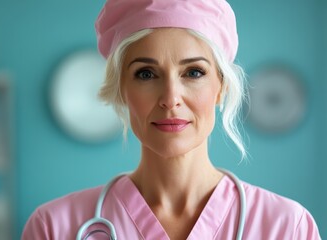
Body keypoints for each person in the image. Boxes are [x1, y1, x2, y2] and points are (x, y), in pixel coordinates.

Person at [22, 0, 321, 239]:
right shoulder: (55, 228)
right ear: (122, 90)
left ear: (221, 88)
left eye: (193, 73)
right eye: (146, 74)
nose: (170, 97)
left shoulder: (287, 227)